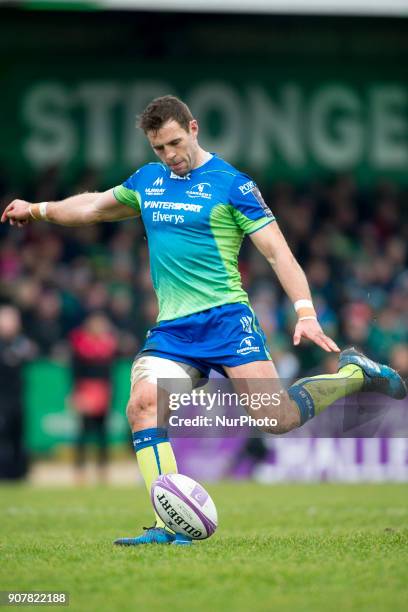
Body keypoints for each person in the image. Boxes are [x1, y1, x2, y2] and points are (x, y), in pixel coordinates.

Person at [2, 95, 406, 545]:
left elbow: (278, 253)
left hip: (228, 324)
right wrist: (37, 209)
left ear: (193, 128)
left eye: (175, 142)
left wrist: (305, 313)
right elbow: (94, 206)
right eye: (159, 148)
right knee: (142, 406)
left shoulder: (232, 184)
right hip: (174, 331)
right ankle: (167, 526)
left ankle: (353, 373)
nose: (169, 156)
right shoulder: (148, 182)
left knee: (277, 418)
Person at [69, 312, 117, 485]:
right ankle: (80, 470)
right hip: (86, 392)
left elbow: (110, 373)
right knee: (83, 432)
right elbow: (74, 372)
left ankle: (102, 470)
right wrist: (76, 394)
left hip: (103, 392)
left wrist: (111, 393)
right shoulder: (81, 345)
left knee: (102, 434)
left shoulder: (108, 345)